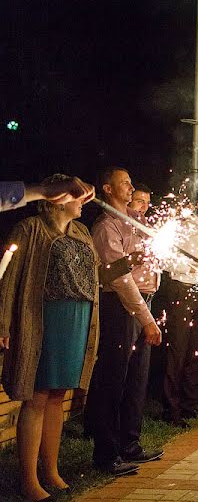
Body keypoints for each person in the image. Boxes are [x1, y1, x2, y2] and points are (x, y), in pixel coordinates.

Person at [0, 174, 100, 501]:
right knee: (38, 395)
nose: (82, 200)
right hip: (42, 318)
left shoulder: (82, 232)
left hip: (75, 317)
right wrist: (3, 323)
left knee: (58, 395)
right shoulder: (29, 229)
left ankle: (51, 470)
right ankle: (28, 479)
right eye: (76, 194)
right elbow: (10, 277)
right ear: (57, 197)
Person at [86, 168, 163, 478]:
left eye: (132, 182)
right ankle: (105, 453)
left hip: (144, 301)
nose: (131, 187)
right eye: (125, 183)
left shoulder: (137, 220)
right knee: (113, 379)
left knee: (136, 378)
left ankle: (129, 444)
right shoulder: (106, 227)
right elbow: (120, 279)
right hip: (122, 306)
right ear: (107, 188)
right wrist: (146, 319)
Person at [156, 191, 198, 428]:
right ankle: (171, 409)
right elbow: (164, 259)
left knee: (197, 350)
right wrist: (190, 266)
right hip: (181, 289)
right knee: (179, 349)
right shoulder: (182, 226)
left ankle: (189, 405)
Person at [0, 177, 95, 213]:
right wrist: (45, 190)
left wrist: (45, 191)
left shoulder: (82, 231)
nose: (82, 201)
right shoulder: (33, 227)